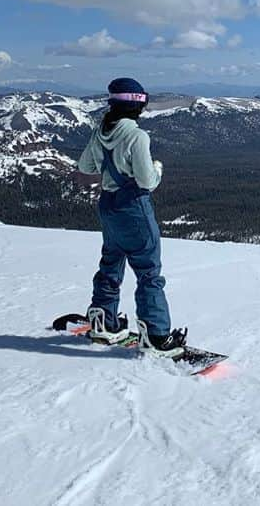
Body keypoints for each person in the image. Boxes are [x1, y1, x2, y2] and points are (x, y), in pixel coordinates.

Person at [77, 77, 188, 358]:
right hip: (134, 208)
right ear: (138, 106)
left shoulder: (100, 131)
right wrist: (158, 168)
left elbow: (86, 166)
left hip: (108, 205)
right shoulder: (137, 136)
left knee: (110, 262)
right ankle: (157, 335)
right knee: (148, 272)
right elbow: (146, 180)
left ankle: (103, 321)